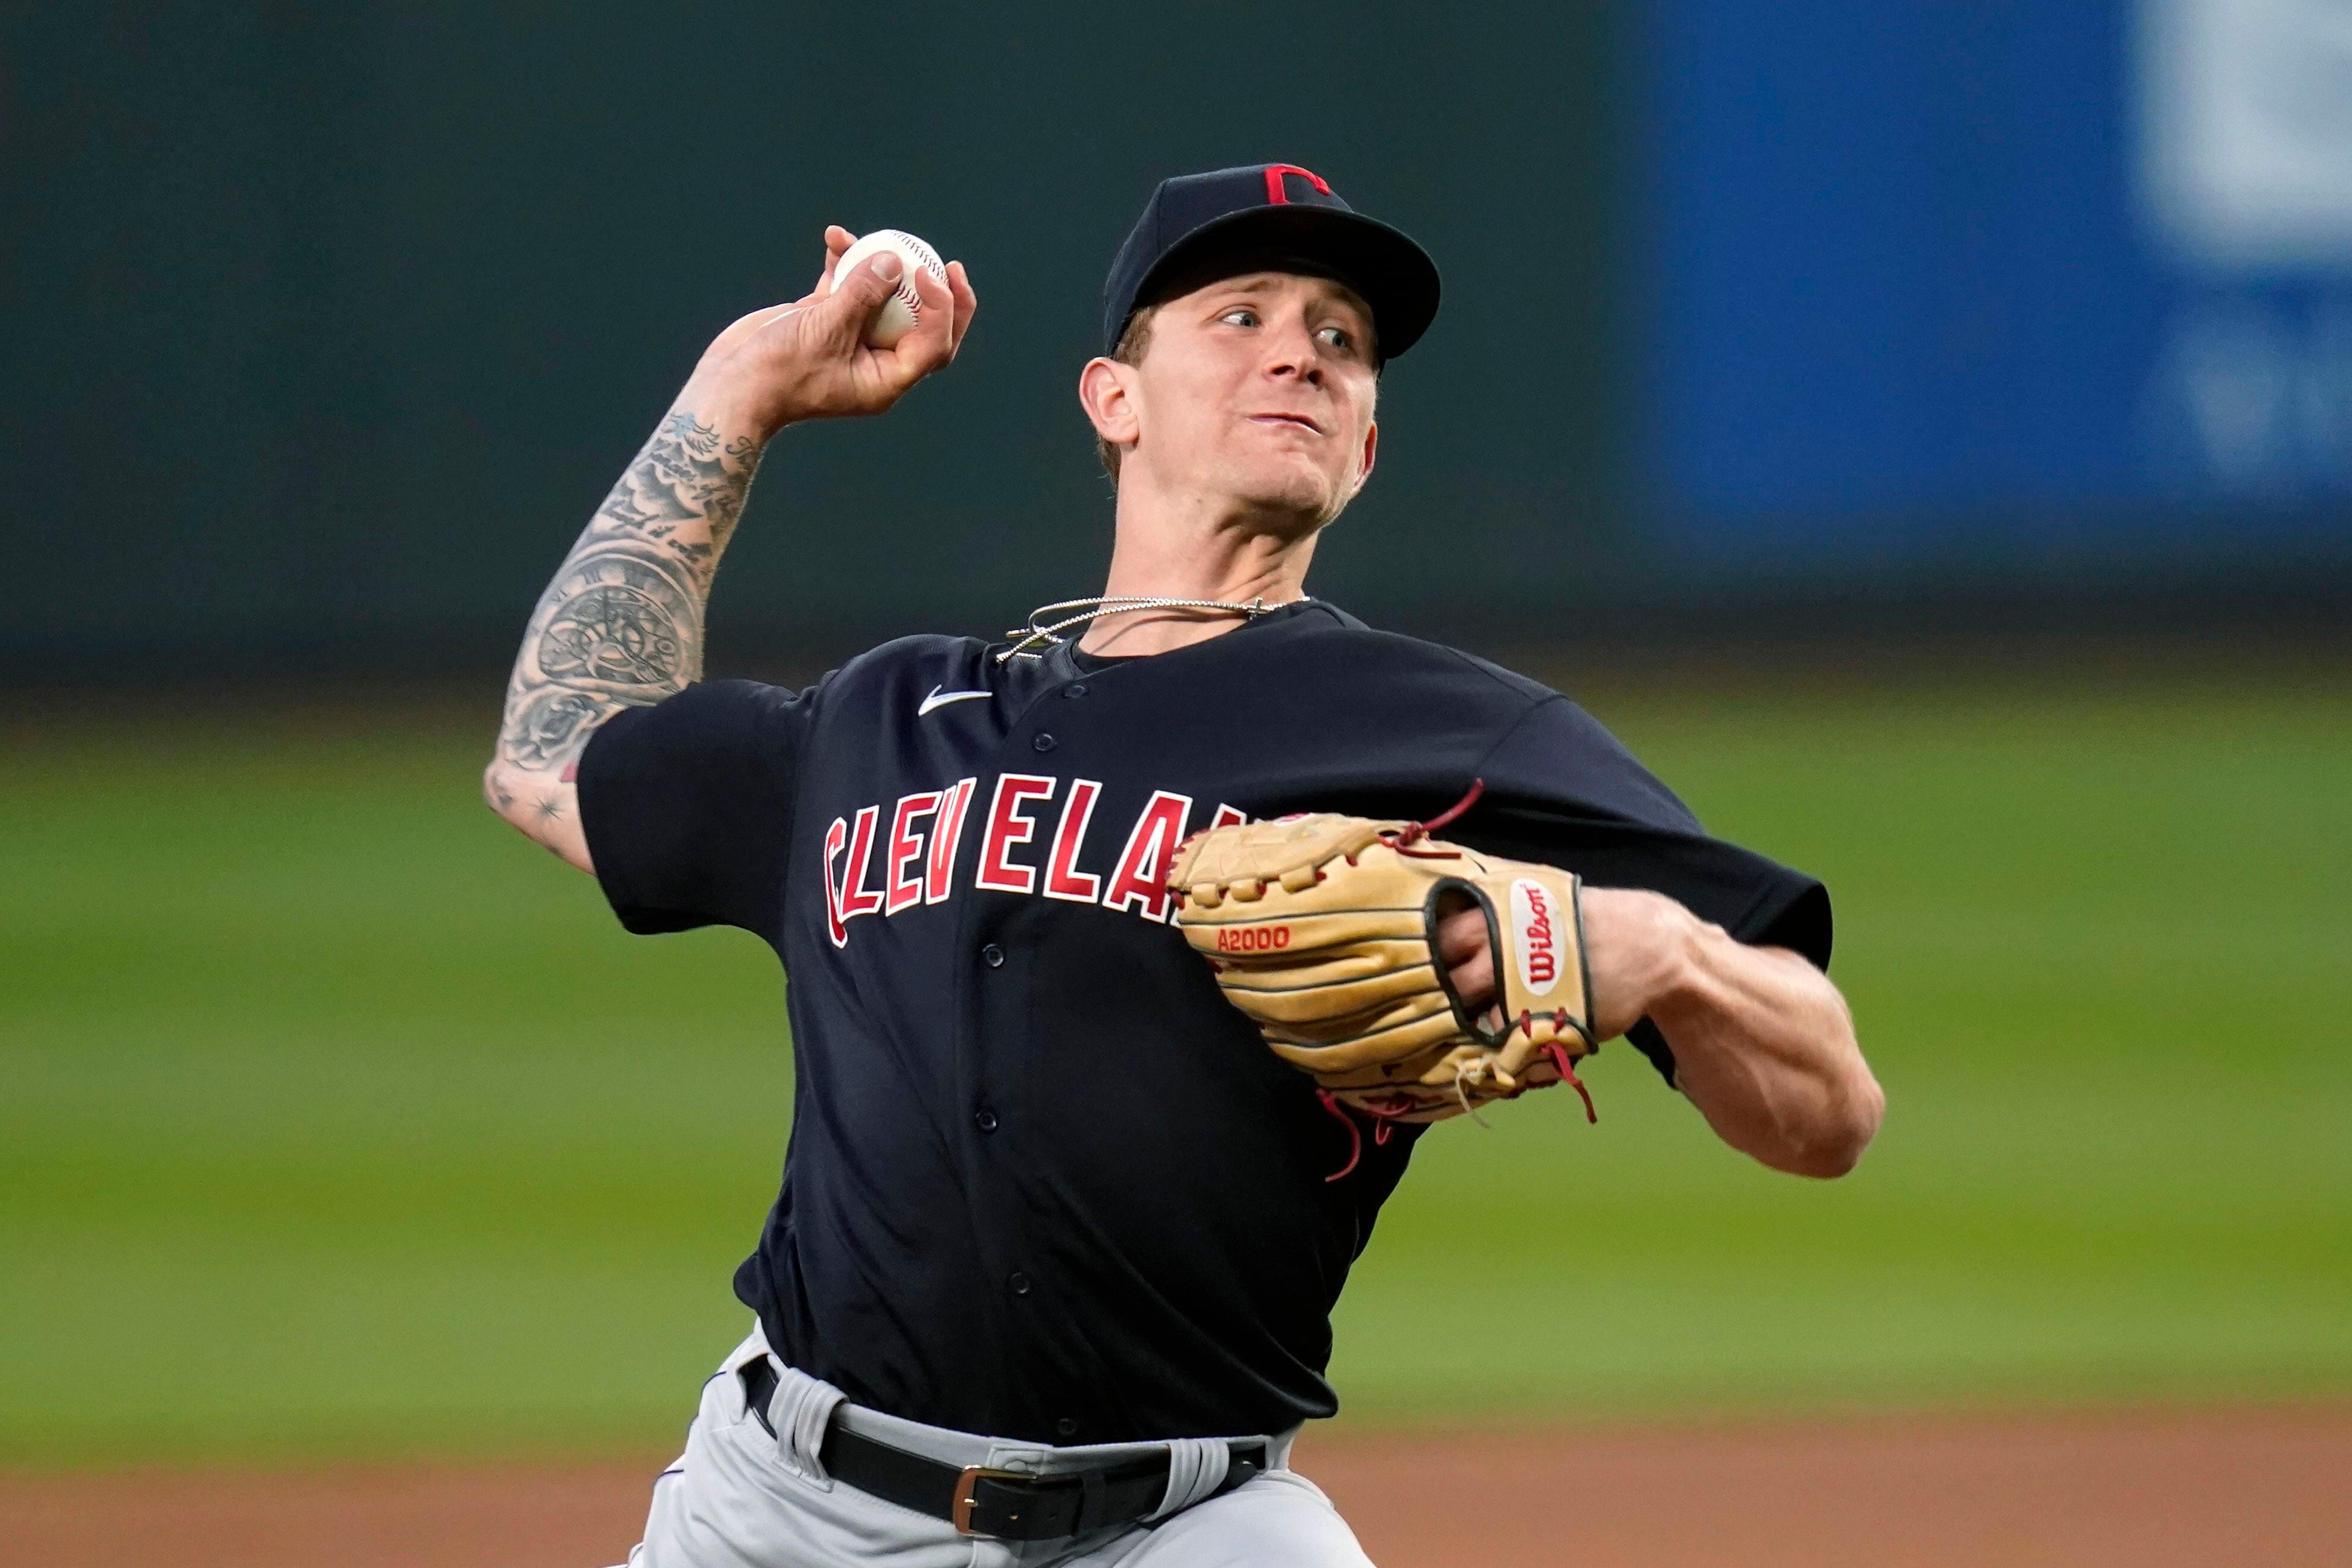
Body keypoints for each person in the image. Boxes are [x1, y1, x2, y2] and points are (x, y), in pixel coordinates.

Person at [484, 163, 1884, 1567]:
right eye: (1240, 314)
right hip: (776, 1508)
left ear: (1367, 449)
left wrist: (1670, 952)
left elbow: (1827, 1116)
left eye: (1342, 338)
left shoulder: (1455, 732)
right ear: (1116, 400)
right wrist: (739, 387)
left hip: (1188, 1527)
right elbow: (552, 760)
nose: (1301, 350)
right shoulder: (885, 721)